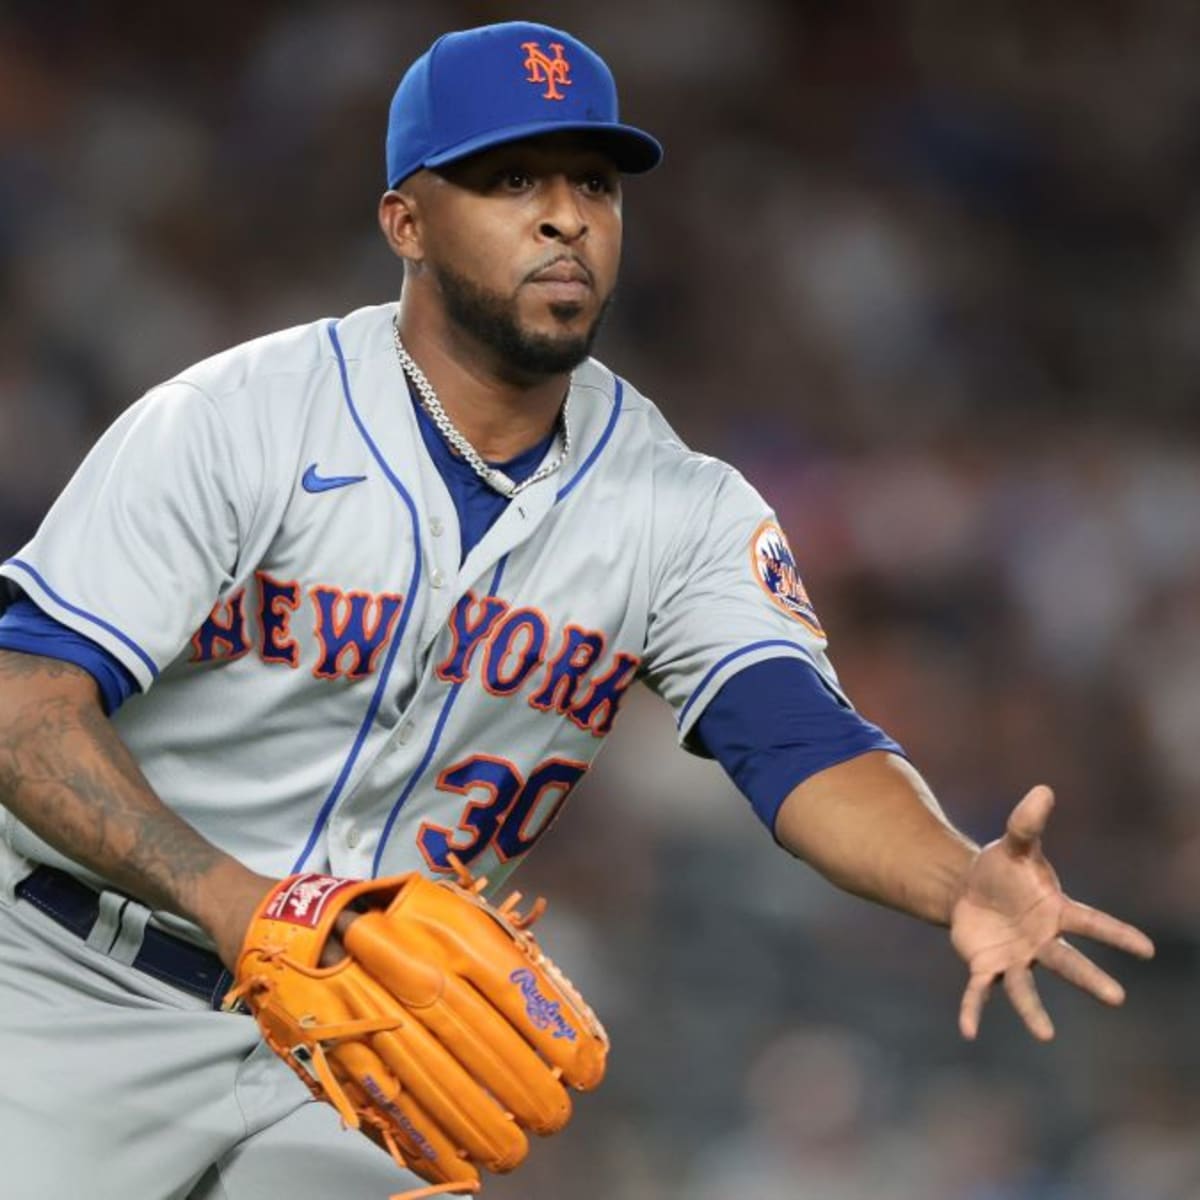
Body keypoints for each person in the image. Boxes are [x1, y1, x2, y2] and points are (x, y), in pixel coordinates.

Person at [0, 19, 1154, 1200]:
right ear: (405, 221)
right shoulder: (235, 419)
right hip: (67, 991)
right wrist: (238, 906)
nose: (566, 218)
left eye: (593, 184)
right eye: (511, 180)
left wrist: (955, 876)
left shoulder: (680, 507)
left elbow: (804, 748)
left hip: (360, 1053)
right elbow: (22, 704)